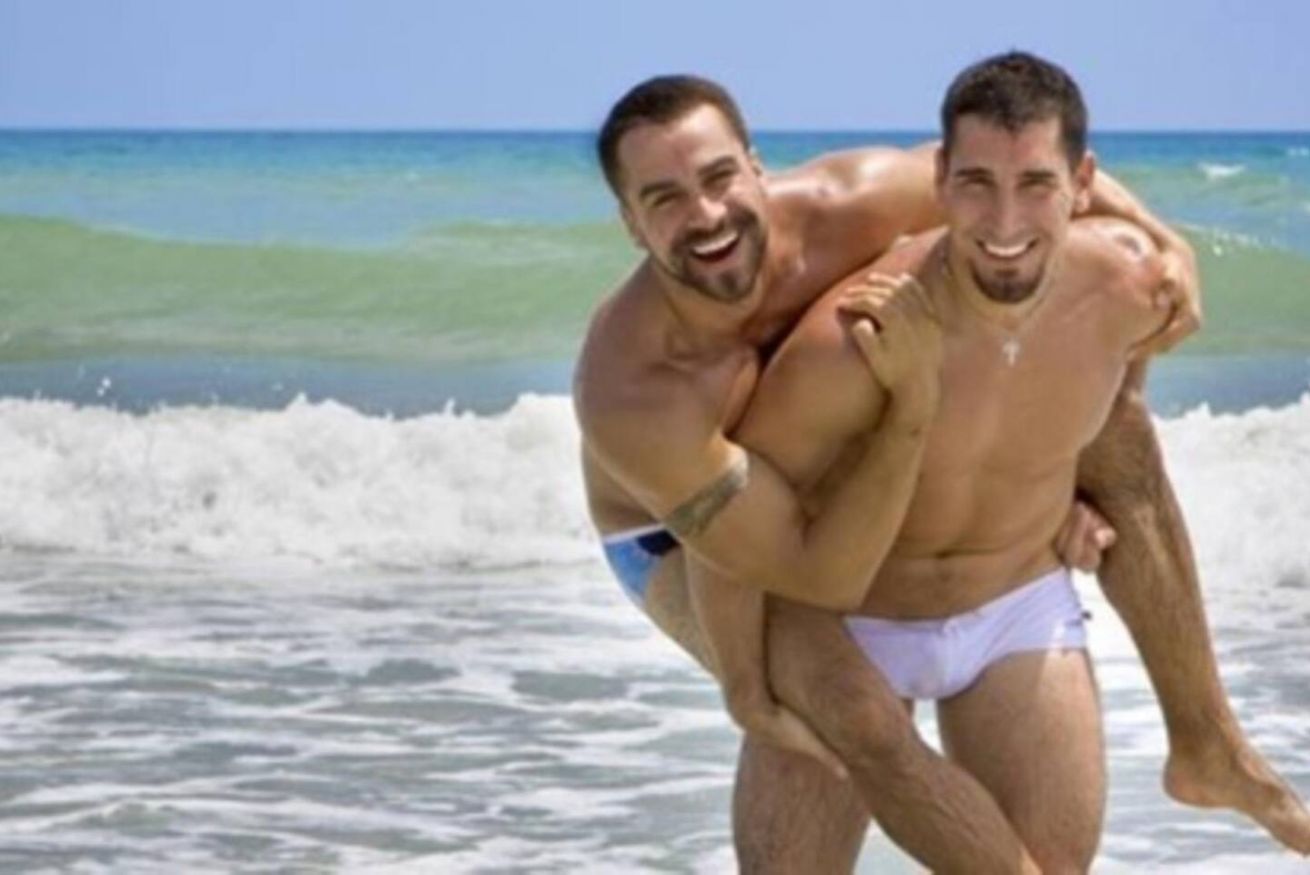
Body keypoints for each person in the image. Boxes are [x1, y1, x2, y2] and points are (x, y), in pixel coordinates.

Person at [574, 69, 1303, 869]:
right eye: (665, 199)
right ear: (630, 224)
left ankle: (1207, 741)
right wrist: (746, 684)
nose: (707, 215)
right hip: (683, 534)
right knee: (853, 712)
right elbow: (802, 567)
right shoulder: (635, 389)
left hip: (813, 462)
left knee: (1116, 427)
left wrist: (1167, 245)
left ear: (757, 168)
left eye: (719, 177)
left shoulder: (849, 203)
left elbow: (1030, 177)